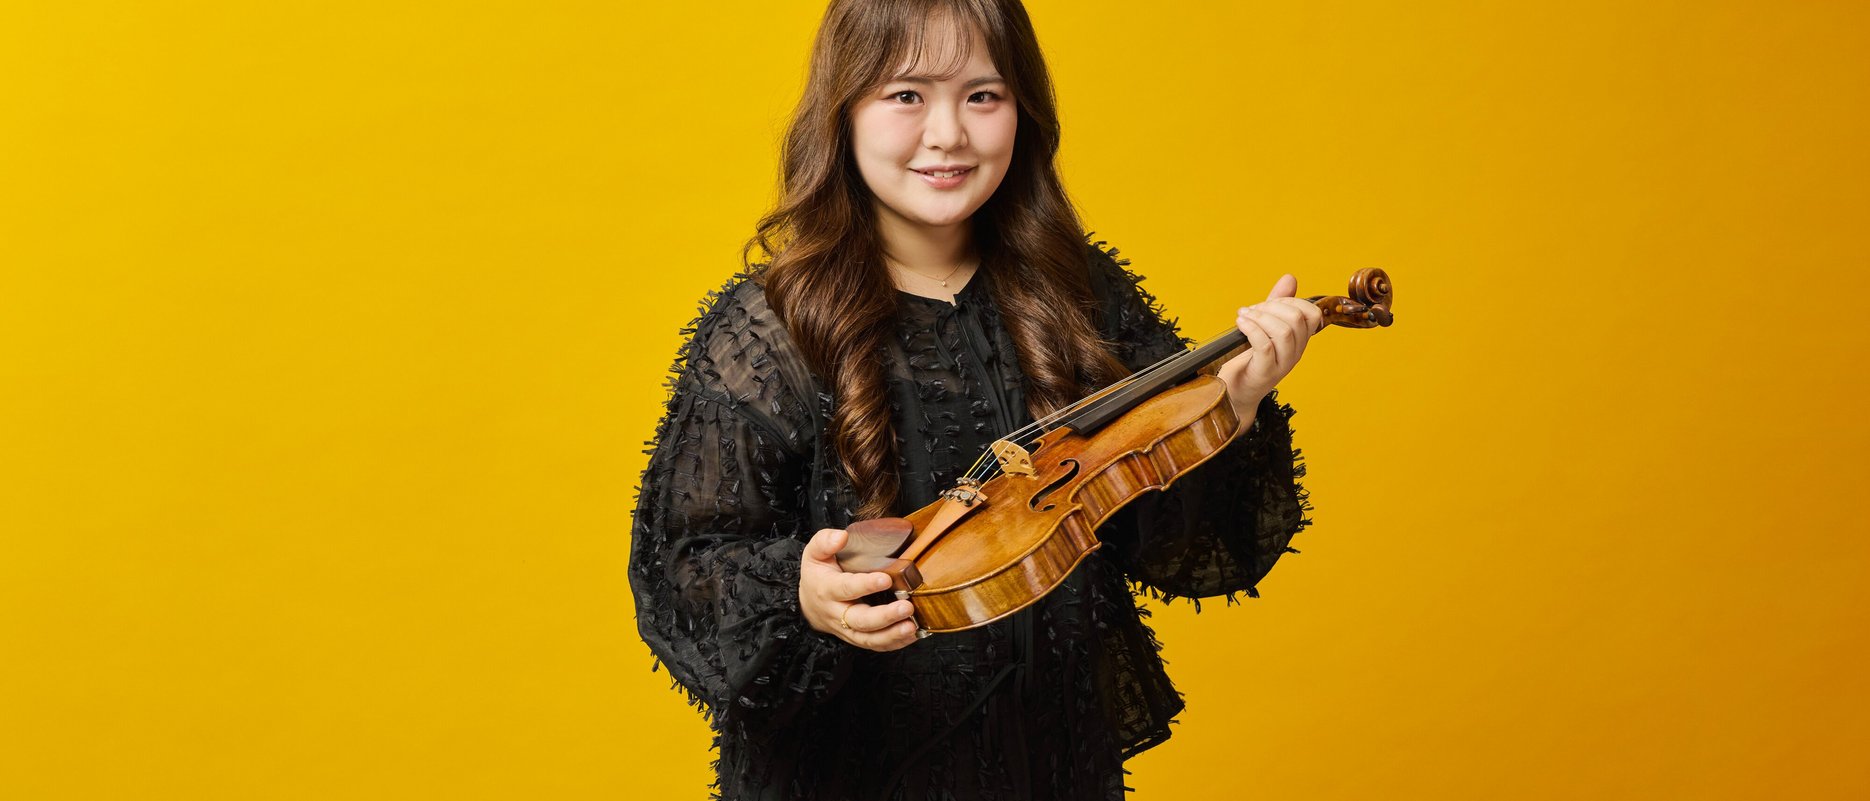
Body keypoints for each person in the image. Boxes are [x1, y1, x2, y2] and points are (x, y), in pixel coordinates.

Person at [629, 1, 1320, 798]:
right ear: (843, 109)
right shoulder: (770, 331)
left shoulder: (1078, 295)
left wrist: (1233, 405)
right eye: (906, 95)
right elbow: (683, 565)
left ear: (1023, 109)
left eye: (983, 96)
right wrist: (806, 596)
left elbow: (1171, 543)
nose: (949, 133)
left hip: (1051, 762)